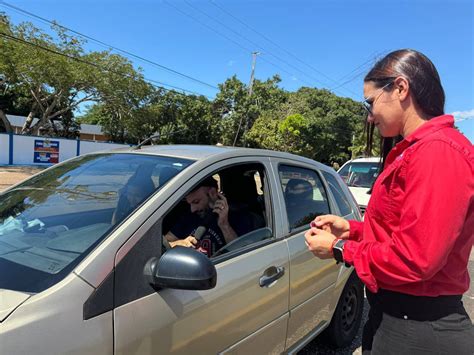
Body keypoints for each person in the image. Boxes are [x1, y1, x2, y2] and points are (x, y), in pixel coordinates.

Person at [304, 49, 473, 354]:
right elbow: (401, 230)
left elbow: (416, 259)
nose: (370, 116)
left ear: (400, 87)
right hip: (399, 320)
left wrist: (338, 249)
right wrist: (352, 229)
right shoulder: (417, 150)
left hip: (420, 331)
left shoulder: (437, 152)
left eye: (370, 103)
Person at [165, 176, 261, 257]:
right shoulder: (189, 217)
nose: (192, 209)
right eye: (190, 203)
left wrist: (224, 225)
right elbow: (165, 242)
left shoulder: (239, 218)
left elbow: (242, 256)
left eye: (196, 202)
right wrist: (179, 243)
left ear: (213, 193)